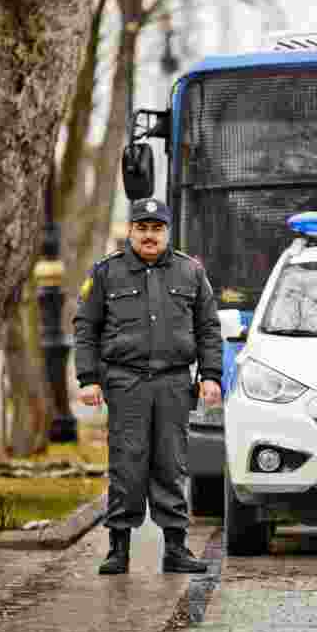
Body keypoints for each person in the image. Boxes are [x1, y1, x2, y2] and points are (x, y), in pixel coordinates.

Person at [74, 197, 223, 575]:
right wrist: (88, 379)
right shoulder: (107, 273)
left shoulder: (191, 273)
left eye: (156, 229)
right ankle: (118, 548)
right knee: (127, 464)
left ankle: (175, 548)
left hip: (174, 383)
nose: (149, 236)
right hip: (126, 382)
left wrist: (210, 376)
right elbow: (86, 328)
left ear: (167, 232)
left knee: (172, 465)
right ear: (131, 231)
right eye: (142, 228)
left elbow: (208, 329)